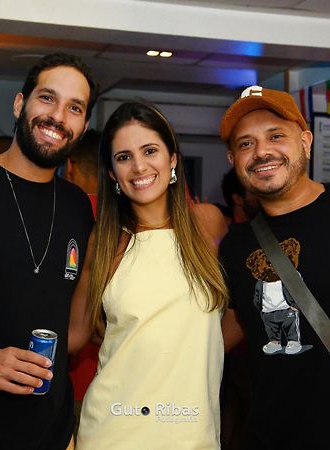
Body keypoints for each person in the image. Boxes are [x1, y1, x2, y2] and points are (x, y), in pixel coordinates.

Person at [0, 52, 98, 450]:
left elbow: (73, 329)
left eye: (74, 108)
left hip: (49, 435)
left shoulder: (79, 206)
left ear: (83, 125)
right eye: (47, 98)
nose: (58, 116)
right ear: (19, 103)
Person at [218, 85, 330, 449]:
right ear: (233, 159)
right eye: (245, 144)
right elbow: (218, 336)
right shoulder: (236, 246)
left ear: (306, 141)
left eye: (276, 136)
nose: (261, 151)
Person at [75, 102, 228, 449]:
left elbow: (234, 320)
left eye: (150, 151)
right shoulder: (105, 241)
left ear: (172, 158)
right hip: (112, 432)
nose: (139, 166)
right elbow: (72, 336)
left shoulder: (208, 225)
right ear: (112, 173)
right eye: (124, 157)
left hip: (193, 431)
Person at [63, 129, 102, 437]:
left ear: (70, 166)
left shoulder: (63, 216)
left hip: (70, 383)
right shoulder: (133, 220)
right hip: (120, 387)